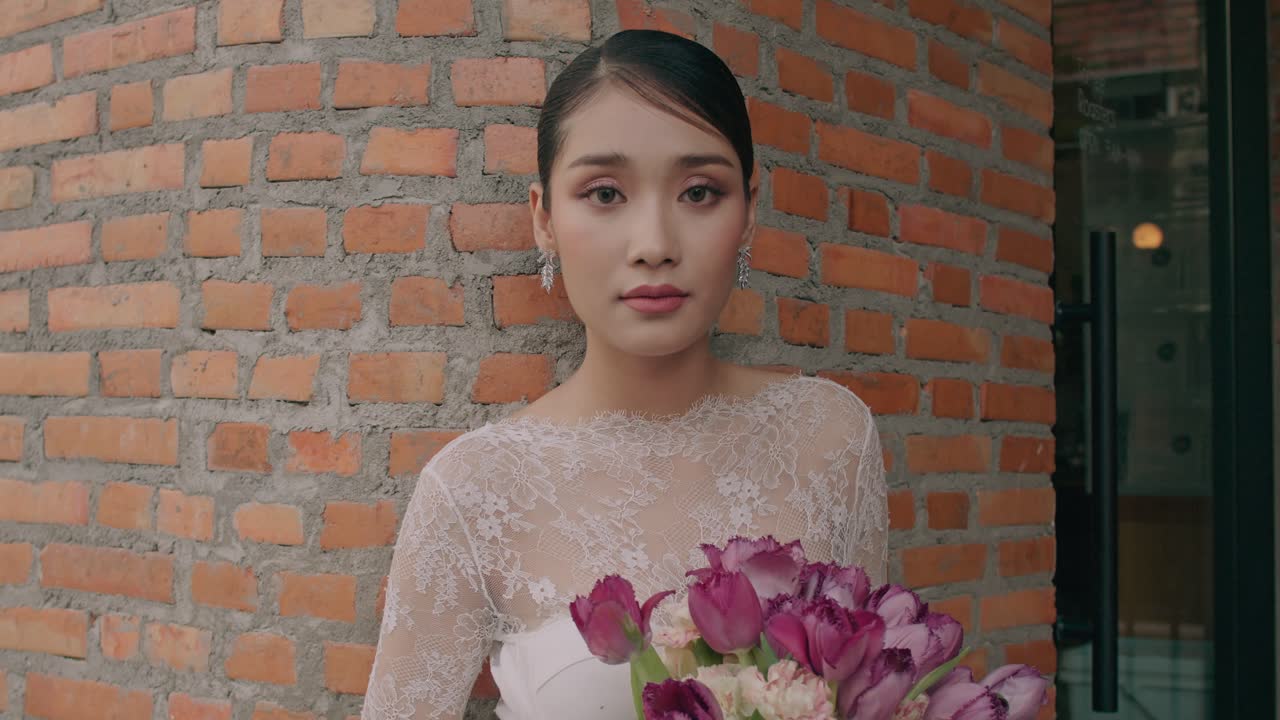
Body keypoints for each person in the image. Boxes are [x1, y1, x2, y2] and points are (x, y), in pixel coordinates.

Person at [360, 29, 888, 720]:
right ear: (543, 217)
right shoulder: (475, 492)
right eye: (605, 193)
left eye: (700, 192)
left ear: (749, 211)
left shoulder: (831, 437)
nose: (655, 246)